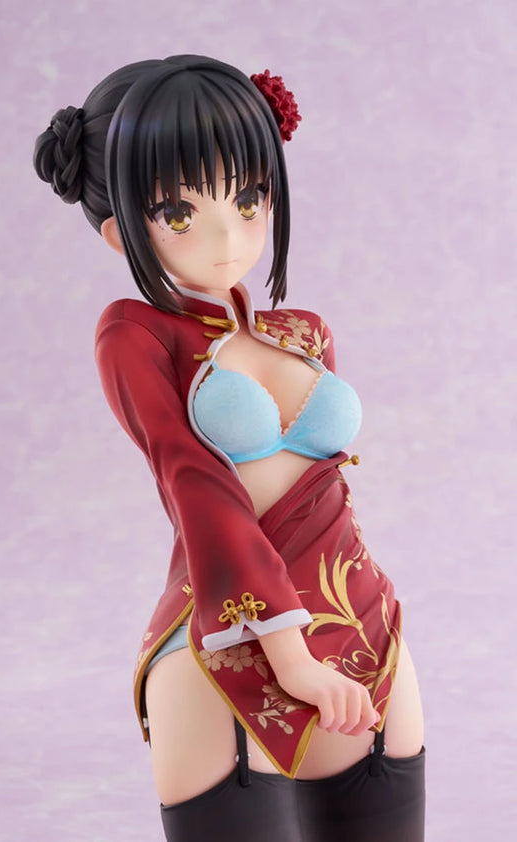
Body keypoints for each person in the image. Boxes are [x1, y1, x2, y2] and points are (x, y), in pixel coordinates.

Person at [34, 54, 425, 842]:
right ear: (118, 232)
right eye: (178, 212)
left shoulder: (304, 332)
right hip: (228, 643)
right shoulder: (135, 334)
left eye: (248, 199)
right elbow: (196, 488)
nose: (226, 235)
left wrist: (335, 638)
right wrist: (289, 655)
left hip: (364, 629)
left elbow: (327, 491)